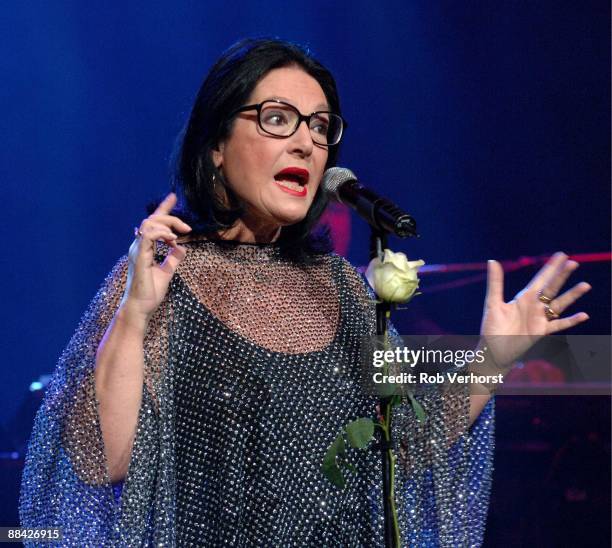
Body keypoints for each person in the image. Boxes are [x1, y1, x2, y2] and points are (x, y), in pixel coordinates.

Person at [19, 38, 590, 546]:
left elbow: (403, 447)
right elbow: (105, 460)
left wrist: (491, 359)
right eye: (277, 119)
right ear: (217, 144)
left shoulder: (341, 286)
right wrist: (136, 312)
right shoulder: (165, 271)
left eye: (320, 126)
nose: (306, 143)